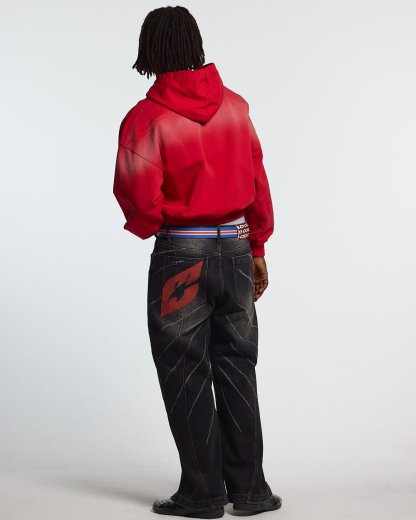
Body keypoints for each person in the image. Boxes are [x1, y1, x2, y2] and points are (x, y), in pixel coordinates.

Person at [113, 6, 281, 518]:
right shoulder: (237, 108)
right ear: (197, 44)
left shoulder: (146, 118)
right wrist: (258, 248)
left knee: (185, 368)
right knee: (238, 365)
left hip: (182, 255)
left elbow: (138, 198)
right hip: (238, 247)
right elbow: (257, 181)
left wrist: (158, 222)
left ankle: (203, 494)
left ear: (151, 50)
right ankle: (250, 490)